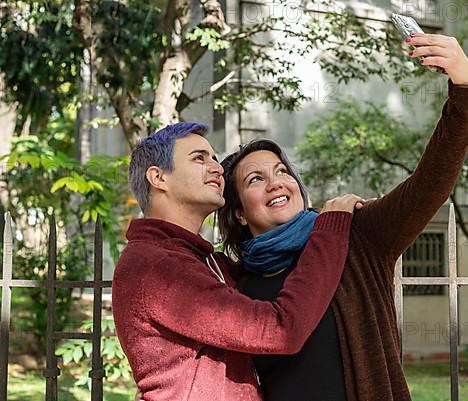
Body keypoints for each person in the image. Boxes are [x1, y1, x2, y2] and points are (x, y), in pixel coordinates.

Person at [217, 32, 468, 401]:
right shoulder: (237, 282)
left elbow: (429, 184)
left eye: (282, 171)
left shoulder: (355, 235)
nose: (276, 183)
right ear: (239, 214)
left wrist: (464, 89)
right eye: (256, 179)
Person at [112, 121, 366, 401]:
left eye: (213, 158)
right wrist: (329, 230)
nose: (217, 168)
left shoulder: (205, 261)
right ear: (158, 178)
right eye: (199, 158)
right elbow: (280, 330)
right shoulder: (155, 266)